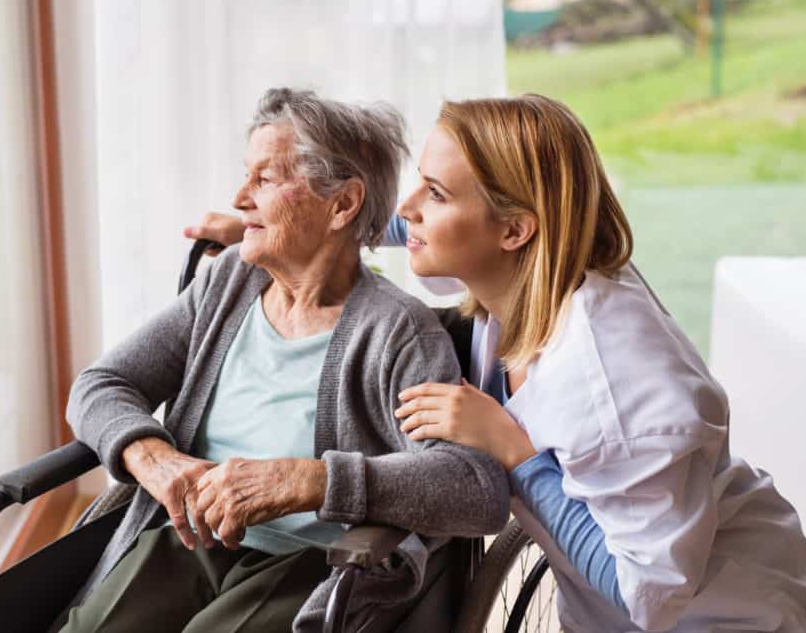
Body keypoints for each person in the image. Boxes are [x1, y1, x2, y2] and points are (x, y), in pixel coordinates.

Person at [185, 94, 806, 632]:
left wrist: (512, 452)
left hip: (727, 614)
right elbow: (417, 226)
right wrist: (291, 228)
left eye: (434, 192)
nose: (406, 209)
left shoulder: (617, 378)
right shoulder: (530, 272)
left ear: (515, 229)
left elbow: (648, 596)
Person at [56, 88, 509, 633]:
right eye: (247, 175)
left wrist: (312, 480)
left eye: (265, 179)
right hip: (189, 541)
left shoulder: (396, 331)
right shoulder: (228, 285)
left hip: (313, 562)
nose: (240, 197)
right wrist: (155, 460)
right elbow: (102, 383)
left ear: (342, 205)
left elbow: (474, 488)